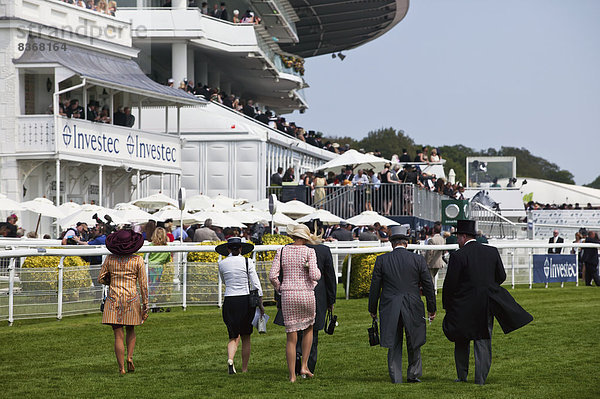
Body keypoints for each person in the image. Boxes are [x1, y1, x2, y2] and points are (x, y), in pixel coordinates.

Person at [442, 220, 533, 385]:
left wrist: (448, 305)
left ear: (463, 237)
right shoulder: (491, 252)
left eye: (458, 238)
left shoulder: (458, 255)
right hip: (485, 303)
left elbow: (450, 284)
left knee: (461, 340)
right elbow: (502, 276)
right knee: (483, 339)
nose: (457, 241)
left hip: (463, 304)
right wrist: (487, 286)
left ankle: (462, 376)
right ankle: (480, 378)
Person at [368, 225, 436, 384]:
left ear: (392, 243)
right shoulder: (417, 259)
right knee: (415, 340)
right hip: (412, 303)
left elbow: (375, 287)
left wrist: (372, 308)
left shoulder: (382, 260)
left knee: (394, 341)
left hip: (390, 304)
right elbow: (428, 286)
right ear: (406, 243)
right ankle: (413, 374)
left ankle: (396, 376)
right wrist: (432, 308)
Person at [269, 224, 321, 382]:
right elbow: (315, 275)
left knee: (291, 337)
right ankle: (304, 365)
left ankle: (292, 375)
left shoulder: (282, 251)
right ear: (305, 237)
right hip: (306, 294)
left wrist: (280, 288)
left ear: (292, 236)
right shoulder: (309, 251)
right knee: (309, 328)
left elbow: (273, 276)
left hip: (288, 294)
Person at [97, 229, 148, 375]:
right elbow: (143, 284)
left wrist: (111, 281)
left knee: (117, 334)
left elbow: (100, 278)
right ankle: (130, 357)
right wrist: (146, 304)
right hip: (132, 298)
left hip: (114, 298)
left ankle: (121, 368)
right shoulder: (137, 260)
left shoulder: (110, 259)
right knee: (131, 330)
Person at [216, 237, 264, 374]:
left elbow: (224, 280)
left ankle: (230, 359)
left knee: (232, 336)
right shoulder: (247, 261)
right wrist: (260, 303)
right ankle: (244, 368)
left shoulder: (222, 263)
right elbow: (255, 283)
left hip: (229, 300)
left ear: (228, 249)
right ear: (241, 248)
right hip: (245, 300)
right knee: (246, 336)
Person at [147, 227, 171, 311]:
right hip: (160, 269)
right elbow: (168, 259)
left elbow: (145, 257)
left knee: (149, 287)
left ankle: (149, 304)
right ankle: (154, 304)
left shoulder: (150, 246)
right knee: (156, 287)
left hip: (149, 268)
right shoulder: (167, 247)